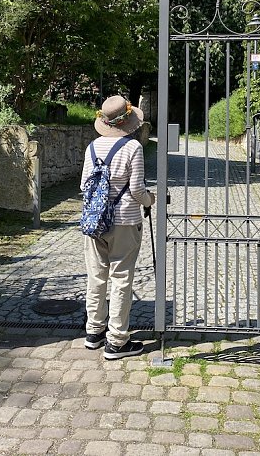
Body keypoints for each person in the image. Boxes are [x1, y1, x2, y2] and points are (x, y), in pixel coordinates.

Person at [80, 95, 155, 359]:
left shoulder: (92, 148)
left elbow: (83, 187)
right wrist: (151, 199)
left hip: (94, 221)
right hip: (124, 221)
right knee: (121, 278)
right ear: (128, 121)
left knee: (96, 276)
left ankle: (94, 332)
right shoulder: (133, 148)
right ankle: (117, 341)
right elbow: (136, 190)